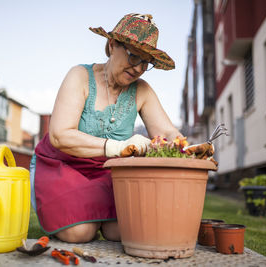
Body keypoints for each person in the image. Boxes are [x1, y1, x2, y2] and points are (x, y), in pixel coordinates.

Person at [30, 13, 183, 243]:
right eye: (134, 57)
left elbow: (168, 133)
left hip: (107, 173)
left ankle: (98, 215)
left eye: (146, 63)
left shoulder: (142, 90)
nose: (139, 68)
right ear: (112, 45)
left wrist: (182, 144)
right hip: (61, 166)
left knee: (120, 232)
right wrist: (119, 146)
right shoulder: (79, 76)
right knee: (80, 232)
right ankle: (82, 216)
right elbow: (60, 136)